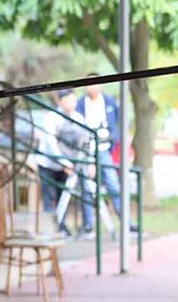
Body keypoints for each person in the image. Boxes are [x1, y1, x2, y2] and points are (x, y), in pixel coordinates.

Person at [37, 89, 90, 236]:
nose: (72, 103)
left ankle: (61, 225)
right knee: (49, 198)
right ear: (60, 101)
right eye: (69, 100)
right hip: (49, 164)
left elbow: (84, 140)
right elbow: (50, 144)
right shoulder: (51, 117)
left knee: (63, 196)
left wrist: (79, 162)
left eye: (74, 100)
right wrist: (63, 162)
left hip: (68, 165)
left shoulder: (78, 118)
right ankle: (50, 228)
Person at [75, 76, 123, 237]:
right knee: (87, 187)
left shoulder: (109, 102)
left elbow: (116, 124)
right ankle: (88, 225)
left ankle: (125, 222)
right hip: (87, 149)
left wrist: (112, 140)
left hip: (104, 149)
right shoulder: (80, 104)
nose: (92, 87)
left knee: (113, 185)